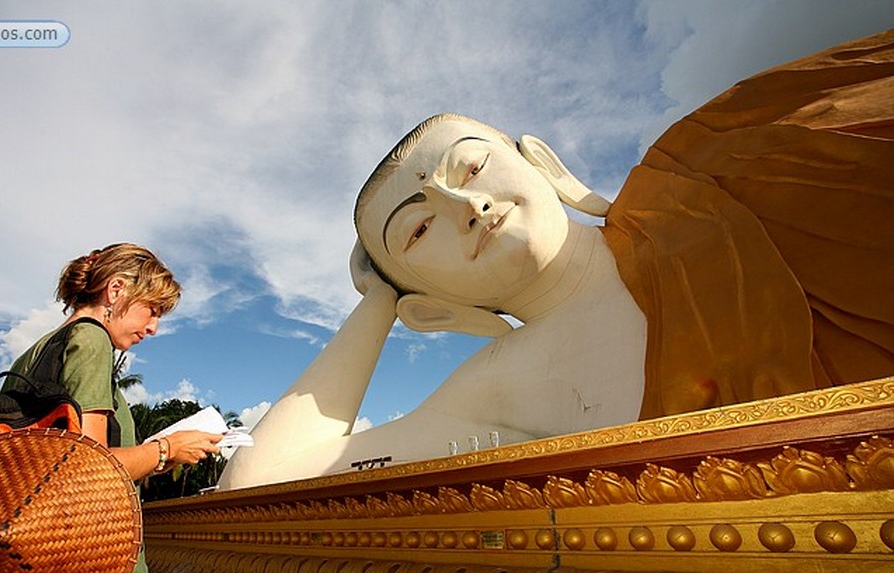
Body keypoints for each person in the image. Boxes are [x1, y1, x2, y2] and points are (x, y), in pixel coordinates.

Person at [217, 31, 894, 491]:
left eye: (474, 166)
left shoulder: (722, 167)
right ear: (429, 307)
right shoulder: (497, 385)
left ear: (544, 164)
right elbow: (258, 485)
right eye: (420, 231)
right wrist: (378, 302)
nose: (467, 206)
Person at [0, 243, 223, 573]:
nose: (153, 327)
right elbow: (89, 469)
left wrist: (153, 459)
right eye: (151, 309)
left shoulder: (35, 353)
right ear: (116, 290)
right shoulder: (90, 341)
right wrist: (167, 450)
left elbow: (59, 462)